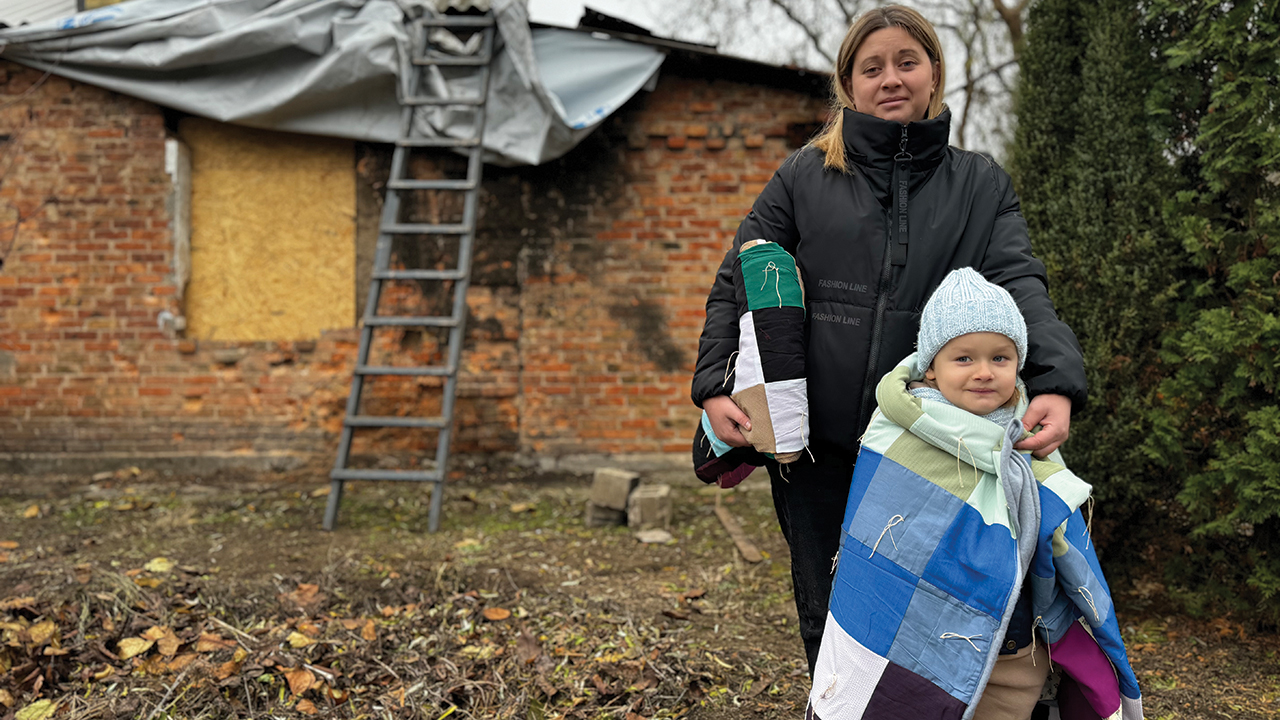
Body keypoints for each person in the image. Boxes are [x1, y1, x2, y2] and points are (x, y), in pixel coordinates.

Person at [690, 5, 1087, 677]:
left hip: (930, 448)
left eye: (908, 61)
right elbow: (740, 277)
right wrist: (715, 387)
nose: (891, 78)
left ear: (934, 73)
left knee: (926, 613)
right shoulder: (802, 176)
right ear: (848, 85)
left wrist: (1054, 379)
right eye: (871, 68)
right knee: (830, 612)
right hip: (812, 449)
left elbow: (1019, 282)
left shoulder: (980, 184)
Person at [804, 268, 1141, 720]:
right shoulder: (896, 433)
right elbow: (877, 553)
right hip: (913, 644)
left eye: (1000, 358)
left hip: (1013, 648)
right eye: (964, 358)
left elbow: (1058, 543)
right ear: (931, 365)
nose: (984, 372)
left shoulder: (1024, 441)